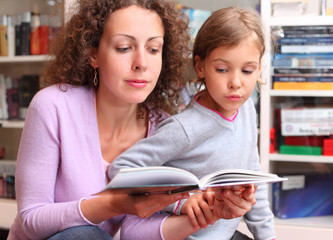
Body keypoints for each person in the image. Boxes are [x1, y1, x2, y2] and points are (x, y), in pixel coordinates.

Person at [7, 1, 257, 240]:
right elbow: (31, 219)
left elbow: (136, 233)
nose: (141, 63)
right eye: (124, 48)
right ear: (93, 54)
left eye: (153, 49)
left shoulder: (165, 129)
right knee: (84, 235)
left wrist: (207, 214)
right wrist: (114, 203)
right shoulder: (53, 106)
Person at [108, 6, 276, 240]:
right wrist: (179, 203)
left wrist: (267, 236)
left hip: (223, 234)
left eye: (247, 70)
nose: (235, 82)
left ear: (259, 68)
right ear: (200, 67)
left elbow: (253, 176)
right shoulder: (184, 128)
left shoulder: (246, 109)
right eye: (222, 69)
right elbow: (121, 169)